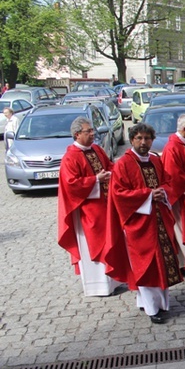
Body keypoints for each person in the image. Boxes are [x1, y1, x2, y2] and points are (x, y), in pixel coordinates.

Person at [105, 123, 182, 324]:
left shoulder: (156, 161)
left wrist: (162, 192)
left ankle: (157, 303)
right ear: (131, 140)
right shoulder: (123, 164)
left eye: (147, 138)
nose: (143, 142)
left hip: (159, 220)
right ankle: (151, 308)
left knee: (161, 263)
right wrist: (148, 195)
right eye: (139, 138)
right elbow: (119, 194)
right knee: (145, 265)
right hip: (139, 222)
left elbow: (168, 182)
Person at [58, 117, 128, 296]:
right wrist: (96, 180)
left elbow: (109, 165)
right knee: (95, 245)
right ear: (76, 134)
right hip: (87, 210)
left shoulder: (96, 149)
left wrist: (115, 171)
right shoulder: (70, 157)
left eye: (92, 131)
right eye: (88, 131)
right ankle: (99, 286)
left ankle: (114, 280)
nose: (92, 134)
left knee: (112, 240)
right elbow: (71, 184)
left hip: (105, 205)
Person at [161, 114, 185, 267]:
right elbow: (173, 174)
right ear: (184, 129)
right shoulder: (172, 148)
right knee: (181, 227)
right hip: (179, 195)